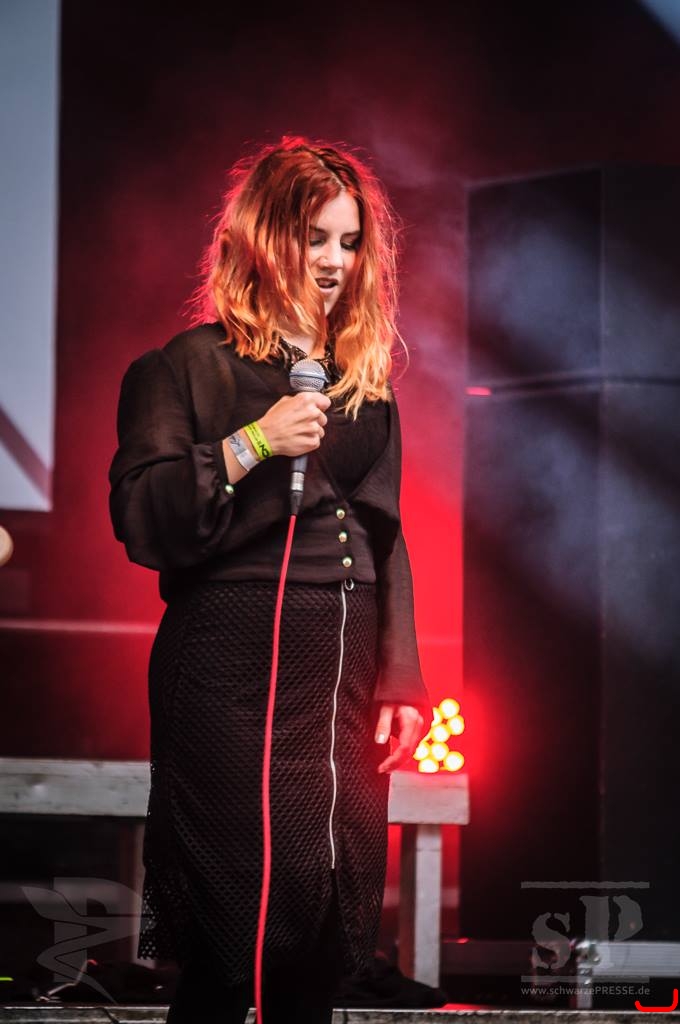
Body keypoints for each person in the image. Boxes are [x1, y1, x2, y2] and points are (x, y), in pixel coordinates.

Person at [109, 135, 431, 1024]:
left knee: (322, 918)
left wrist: (403, 678)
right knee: (232, 925)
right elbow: (143, 518)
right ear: (262, 239)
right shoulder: (184, 367)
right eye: (313, 238)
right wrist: (253, 443)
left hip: (339, 677)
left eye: (349, 242)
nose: (333, 261)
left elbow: (386, 536)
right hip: (229, 668)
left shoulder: (365, 387)